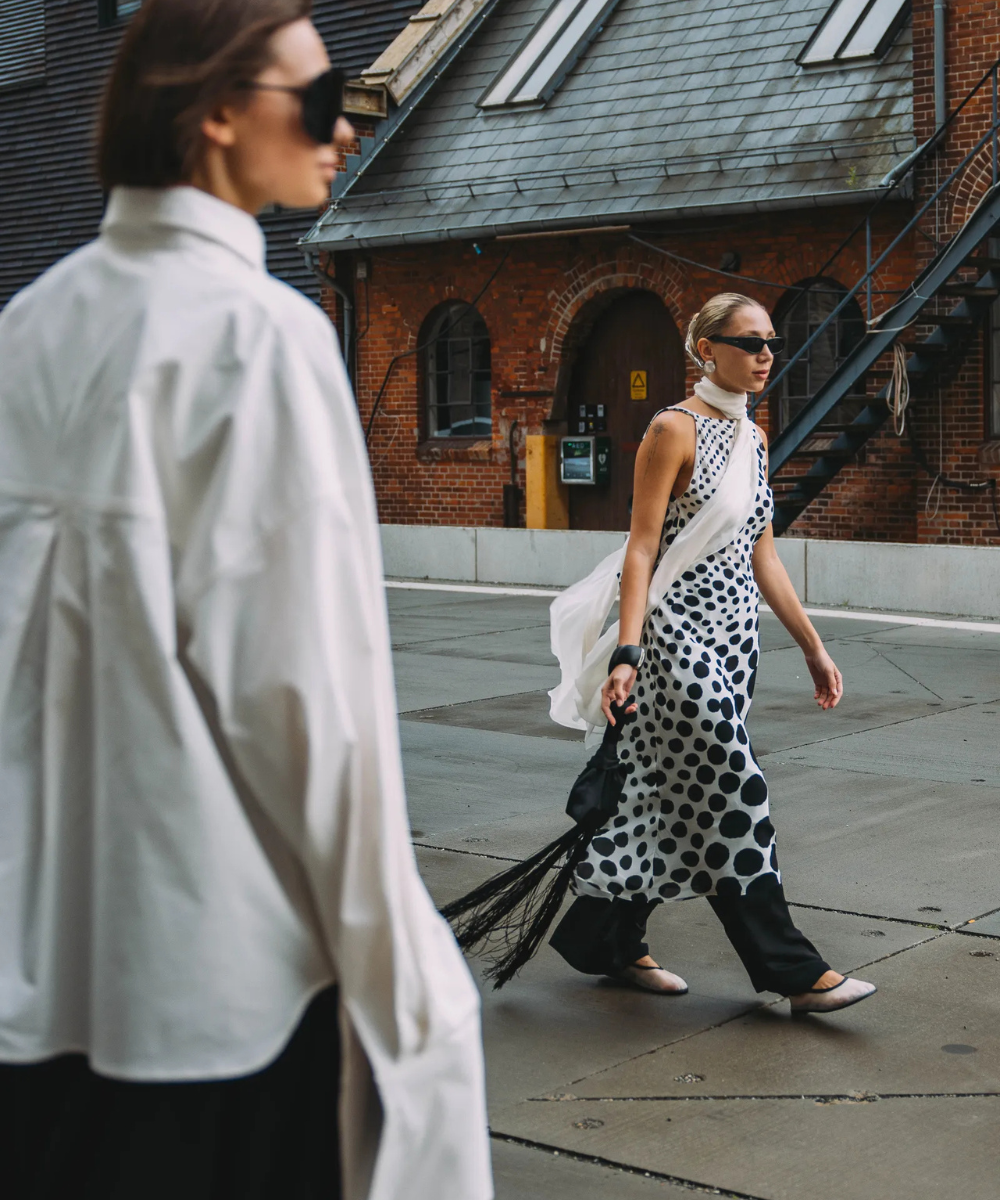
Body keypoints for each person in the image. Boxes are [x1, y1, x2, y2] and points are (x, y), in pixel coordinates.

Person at [0, 2, 491, 1198]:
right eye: (318, 103)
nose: (346, 126)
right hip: (219, 976)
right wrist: (405, 977)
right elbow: (310, 703)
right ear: (214, 113)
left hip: (31, 963)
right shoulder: (260, 335)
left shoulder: (29, 325)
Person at [548, 292, 877, 1017]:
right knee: (735, 791)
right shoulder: (673, 429)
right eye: (750, 341)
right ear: (707, 349)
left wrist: (814, 648)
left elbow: (763, 557)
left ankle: (606, 940)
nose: (767, 354)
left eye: (770, 342)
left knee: (661, 797)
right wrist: (628, 651)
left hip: (735, 644)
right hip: (673, 641)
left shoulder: (754, 439)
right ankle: (792, 970)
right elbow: (639, 549)